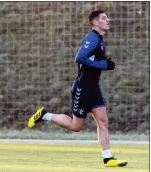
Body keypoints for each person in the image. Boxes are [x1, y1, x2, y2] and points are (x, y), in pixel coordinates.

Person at [28, 10, 128, 167]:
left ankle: (108, 158)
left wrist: (102, 64)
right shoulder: (92, 37)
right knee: (76, 126)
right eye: (104, 18)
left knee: (103, 121)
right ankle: (45, 115)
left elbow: (90, 60)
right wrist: (103, 65)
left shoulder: (99, 39)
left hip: (93, 87)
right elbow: (79, 58)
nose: (108, 20)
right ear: (95, 23)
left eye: (107, 17)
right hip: (83, 87)